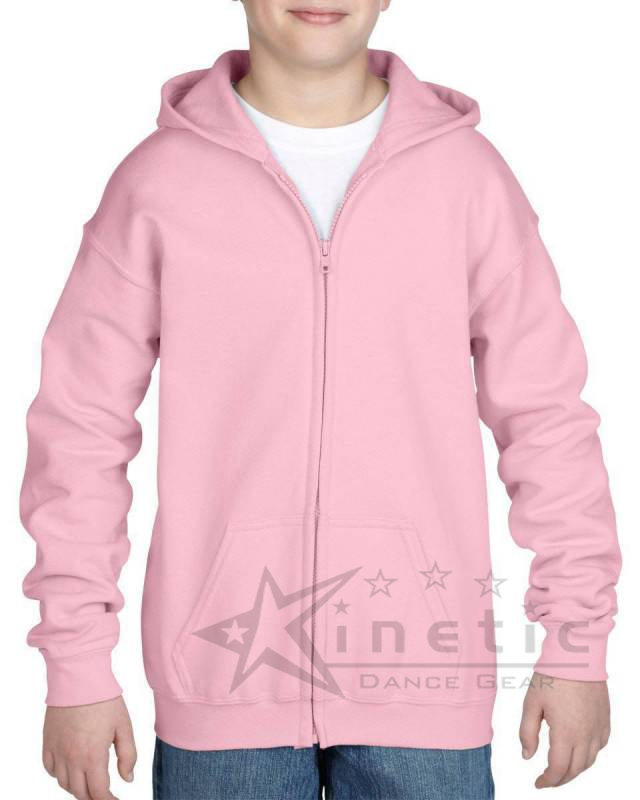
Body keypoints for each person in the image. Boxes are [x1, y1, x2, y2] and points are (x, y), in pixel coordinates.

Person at [20, 2, 621, 798]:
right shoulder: (157, 185)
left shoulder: (468, 180)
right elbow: (80, 431)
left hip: (421, 677)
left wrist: (576, 645)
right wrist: (76, 666)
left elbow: (547, 421)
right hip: (221, 684)